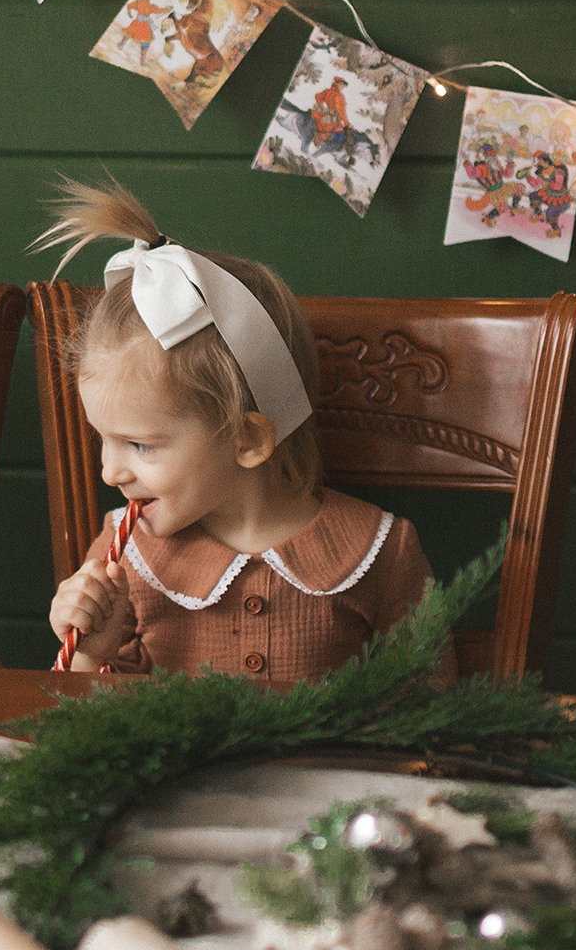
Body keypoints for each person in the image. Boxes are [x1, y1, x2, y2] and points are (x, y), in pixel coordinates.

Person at [35, 181, 455, 687]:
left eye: (141, 445)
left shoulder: (381, 553)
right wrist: (90, 653)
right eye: (104, 438)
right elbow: (89, 721)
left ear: (248, 440)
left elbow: (431, 709)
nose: (109, 471)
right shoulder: (122, 556)